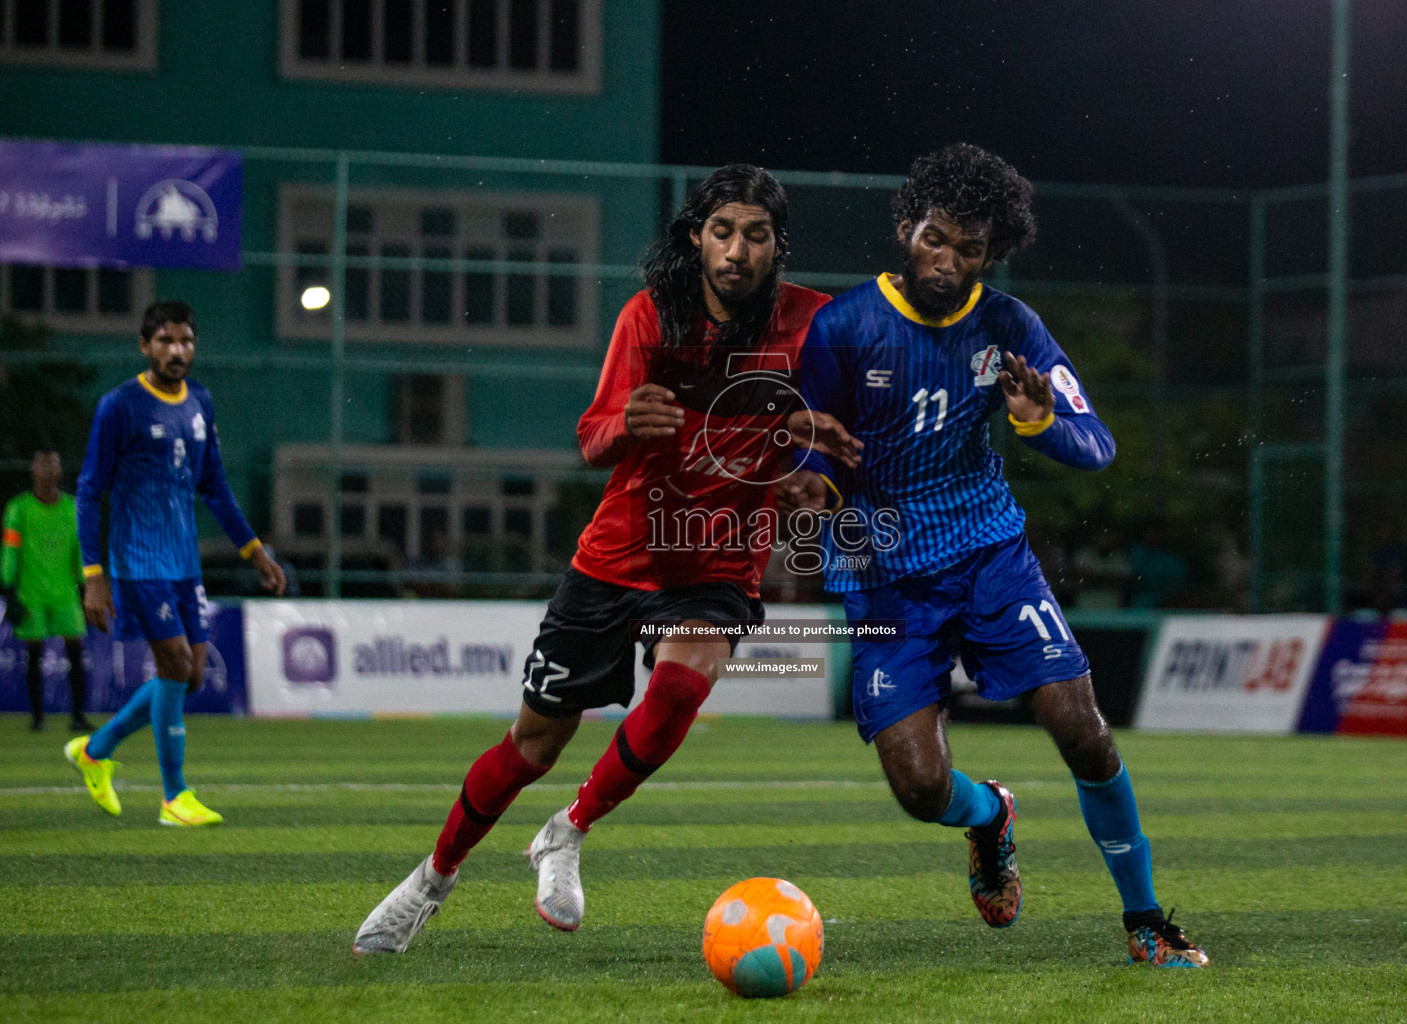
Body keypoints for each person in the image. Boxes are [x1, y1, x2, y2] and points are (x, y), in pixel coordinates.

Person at [353, 164, 859, 953]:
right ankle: (432, 879)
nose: (737, 250)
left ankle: (569, 828)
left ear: (777, 247)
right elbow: (592, 439)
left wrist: (817, 483)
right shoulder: (650, 316)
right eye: (722, 231)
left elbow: (842, 427)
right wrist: (627, 422)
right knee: (531, 747)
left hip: (718, 561)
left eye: (755, 235)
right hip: (618, 554)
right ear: (696, 237)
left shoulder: (815, 324)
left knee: (682, 686)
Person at [777, 143, 1208, 967]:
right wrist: (811, 487)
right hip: (884, 578)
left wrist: (1039, 421)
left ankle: (1146, 919)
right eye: (935, 238)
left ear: (991, 252)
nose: (947, 260)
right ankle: (990, 818)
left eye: (969, 248)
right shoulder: (842, 327)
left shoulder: (1011, 328)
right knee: (919, 789)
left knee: (1083, 731)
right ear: (907, 226)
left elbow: (1098, 446)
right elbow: (816, 452)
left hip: (988, 555)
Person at [65, 300, 286, 825]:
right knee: (177, 665)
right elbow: (89, 490)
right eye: (165, 341)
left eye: (185, 340)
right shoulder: (119, 406)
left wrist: (255, 552)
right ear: (145, 346)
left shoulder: (200, 403)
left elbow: (214, 486)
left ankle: (95, 750)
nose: (177, 351)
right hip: (138, 563)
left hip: (184, 561)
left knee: (189, 675)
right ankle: (173, 797)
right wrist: (93, 576)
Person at [2, 448, 92, 731]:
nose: (47, 470)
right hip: (32, 594)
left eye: (52, 465)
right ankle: (38, 718)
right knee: (34, 655)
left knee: (76, 652)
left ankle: (78, 716)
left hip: (65, 593)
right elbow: (10, 551)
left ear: (60, 472)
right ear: (33, 470)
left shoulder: (72, 509)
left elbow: (81, 553)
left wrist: (87, 588)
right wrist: (8, 589)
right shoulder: (18, 509)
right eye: (42, 465)